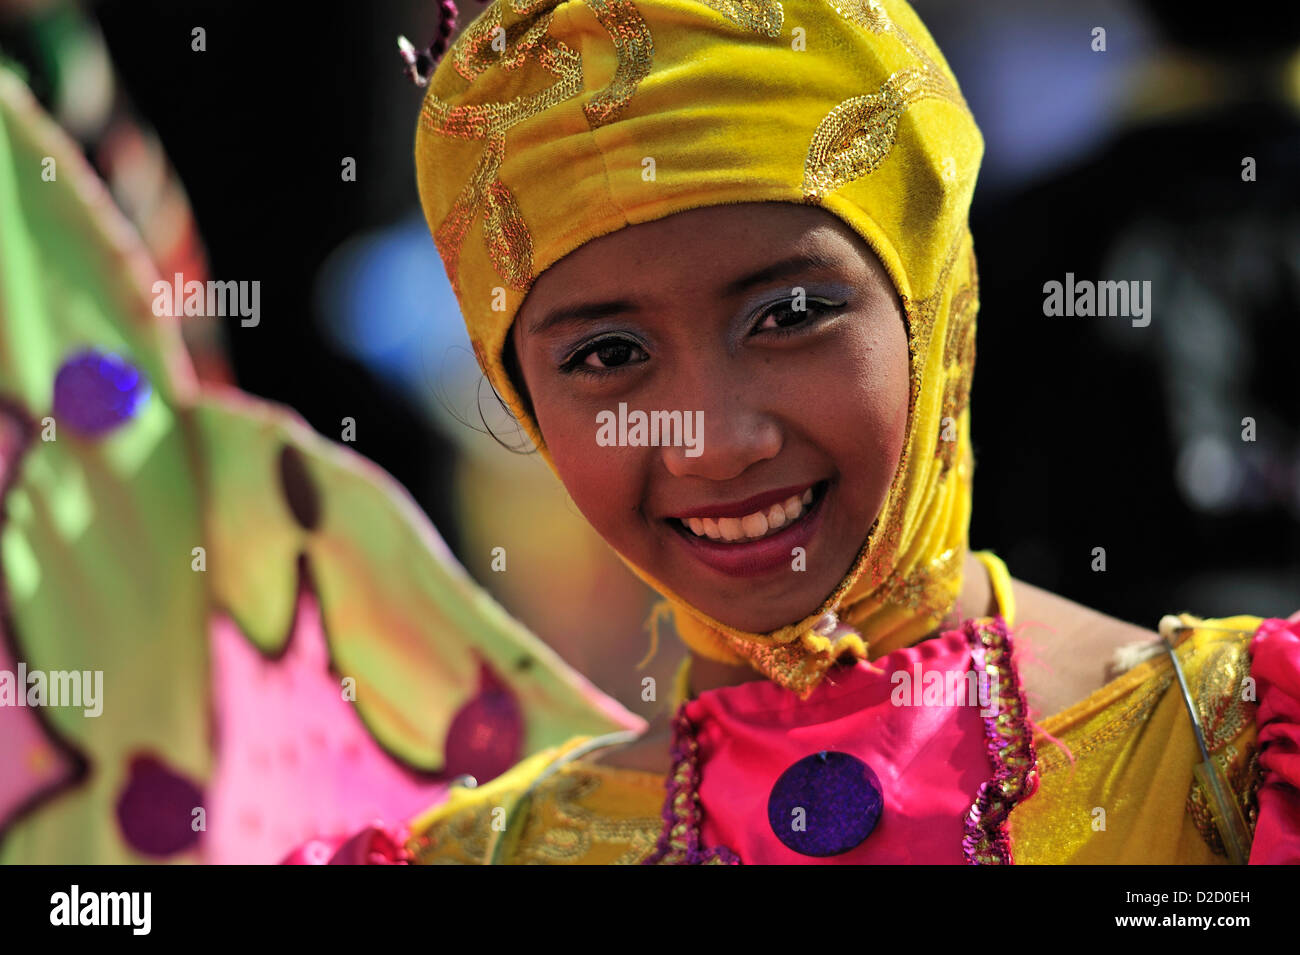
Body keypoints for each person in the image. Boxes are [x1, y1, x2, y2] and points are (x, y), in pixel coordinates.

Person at [295, 0, 1300, 865]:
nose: (716, 442)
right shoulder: (486, 851)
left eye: (787, 315)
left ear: (932, 298)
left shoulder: (1235, 762)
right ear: (518, 390)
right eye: (606, 355)